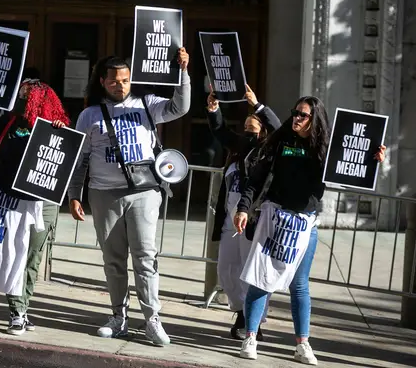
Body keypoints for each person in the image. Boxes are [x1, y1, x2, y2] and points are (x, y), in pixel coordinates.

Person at [233, 97, 386, 364]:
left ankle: (302, 344)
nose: (296, 118)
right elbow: (256, 178)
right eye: (295, 113)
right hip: (274, 217)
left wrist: (374, 161)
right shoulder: (281, 142)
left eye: (302, 115)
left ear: (314, 119)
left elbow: (352, 169)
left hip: (304, 225)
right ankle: (250, 336)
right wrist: (244, 208)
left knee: (299, 285)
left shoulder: (325, 148)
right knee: (261, 279)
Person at [67, 50, 191, 346]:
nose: (120, 85)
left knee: (145, 257)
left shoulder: (147, 104)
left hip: (144, 192)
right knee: (113, 259)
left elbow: (181, 107)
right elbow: (80, 158)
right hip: (103, 194)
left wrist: (183, 73)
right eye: (114, 81)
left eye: (125, 80)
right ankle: (118, 317)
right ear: (102, 82)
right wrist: (74, 195)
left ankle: (152, 319)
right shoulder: (89, 115)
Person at [0, 49, 69, 336]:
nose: (22, 101)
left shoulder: (57, 129)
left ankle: (23, 306)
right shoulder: (9, 124)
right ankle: (17, 312)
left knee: (32, 259)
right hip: (8, 200)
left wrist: (59, 134)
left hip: (42, 203)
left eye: (27, 97)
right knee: (14, 253)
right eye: (21, 96)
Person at [207, 84, 281, 340]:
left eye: (254, 129)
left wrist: (257, 104)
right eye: (246, 129)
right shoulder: (237, 152)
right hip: (230, 220)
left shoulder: (267, 153)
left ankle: (252, 320)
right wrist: (214, 108)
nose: (248, 133)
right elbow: (219, 130)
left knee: (252, 272)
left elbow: (280, 130)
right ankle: (240, 309)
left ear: (263, 133)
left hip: (254, 221)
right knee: (227, 270)